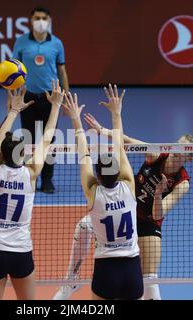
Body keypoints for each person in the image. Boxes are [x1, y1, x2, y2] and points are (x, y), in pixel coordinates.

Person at [53, 113, 193, 300]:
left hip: (149, 222)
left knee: (150, 279)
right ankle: (71, 279)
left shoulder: (182, 183)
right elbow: (125, 141)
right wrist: (103, 130)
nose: (175, 149)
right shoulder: (157, 154)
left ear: (189, 158)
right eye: (177, 143)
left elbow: (158, 214)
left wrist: (158, 194)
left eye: (182, 149)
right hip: (125, 211)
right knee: (84, 226)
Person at [0, 81, 65, 300]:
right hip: (20, 251)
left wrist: (14, 110)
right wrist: (55, 106)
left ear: (2, 154)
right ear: (23, 153)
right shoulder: (32, 173)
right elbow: (46, 138)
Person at [61, 85, 143, 300]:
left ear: (97, 175)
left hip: (106, 269)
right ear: (118, 172)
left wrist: (75, 120)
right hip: (132, 267)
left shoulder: (93, 192)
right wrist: (116, 114)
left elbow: (84, 154)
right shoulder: (128, 185)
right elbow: (119, 147)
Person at [11, 6, 70, 193]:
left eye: (44, 18)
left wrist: (65, 97)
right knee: (28, 140)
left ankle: (47, 180)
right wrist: (11, 97)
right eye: (37, 17)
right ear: (31, 20)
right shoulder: (21, 42)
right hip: (27, 98)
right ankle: (30, 177)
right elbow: (13, 71)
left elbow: (62, 71)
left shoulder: (57, 44)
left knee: (49, 140)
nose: (41, 21)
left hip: (50, 98)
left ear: (49, 20)